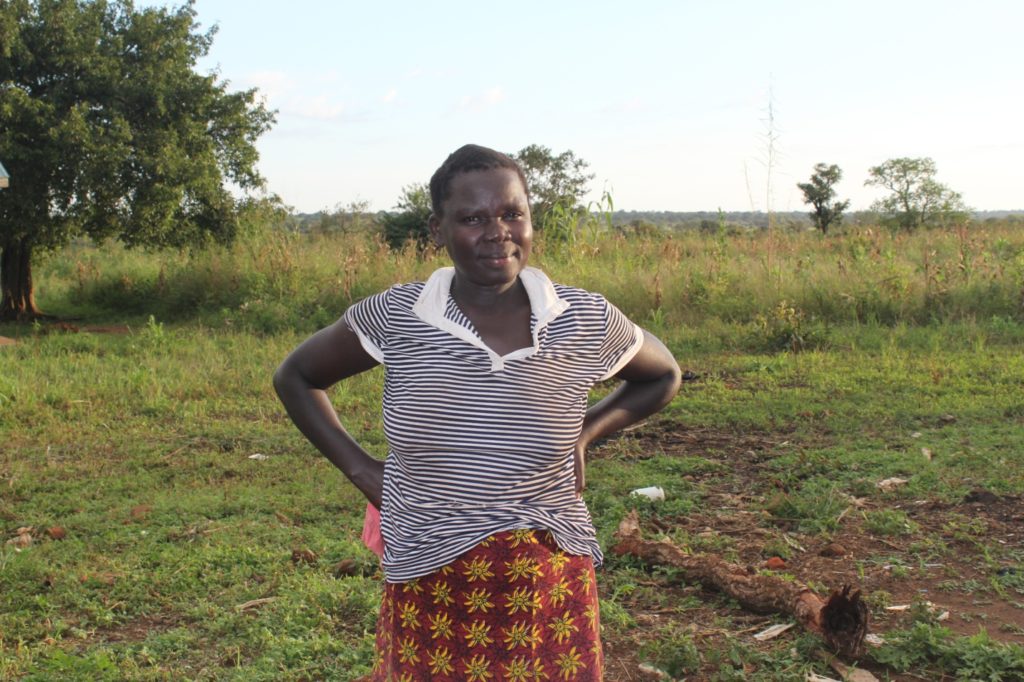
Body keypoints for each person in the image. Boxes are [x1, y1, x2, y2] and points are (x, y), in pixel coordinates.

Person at [274, 144, 681, 681]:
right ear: (437, 228)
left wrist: (585, 434)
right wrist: (363, 470)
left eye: (513, 213)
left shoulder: (582, 318)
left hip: (548, 571)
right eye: (472, 218)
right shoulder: (398, 316)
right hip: (430, 567)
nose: (498, 232)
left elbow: (662, 375)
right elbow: (297, 377)